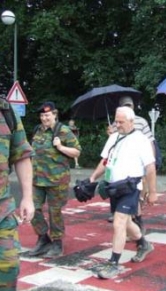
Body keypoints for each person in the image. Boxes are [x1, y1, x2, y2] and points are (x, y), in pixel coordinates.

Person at [90, 106, 157, 279]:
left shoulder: (141, 140)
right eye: (116, 121)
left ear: (131, 121)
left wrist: (153, 192)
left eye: (121, 122)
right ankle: (143, 244)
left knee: (119, 222)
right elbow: (105, 161)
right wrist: (93, 177)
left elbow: (150, 167)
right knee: (126, 222)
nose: (117, 125)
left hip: (131, 187)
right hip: (114, 186)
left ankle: (113, 263)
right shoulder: (113, 137)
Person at [29, 102, 81, 258]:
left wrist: (61, 147)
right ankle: (43, 238)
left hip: (56, 180)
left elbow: (77, 152)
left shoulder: (63, 131)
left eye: (47, 115)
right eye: (42, 115)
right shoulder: (36, 130)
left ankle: (57, 243)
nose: (44, 118)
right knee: (33, 209)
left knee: (54, 212)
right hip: (37, 179)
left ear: (55, 114)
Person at [0, 97, 35, 291]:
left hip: (2, 211)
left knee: (9, 268)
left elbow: (21, 154)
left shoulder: (6, 111)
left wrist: (27, 197)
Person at [107, 96, 155, 233]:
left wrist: (149, 162)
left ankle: (137, 223)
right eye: (125, 106)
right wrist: (110, 134)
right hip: (119, 170)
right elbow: (112, 148)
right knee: (126, 205)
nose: (129, 108)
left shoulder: (141, 122)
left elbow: (150, 141)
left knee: (136, 196)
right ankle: (136, 231)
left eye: (130, 106)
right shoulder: (116, 123)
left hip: (137, 167)